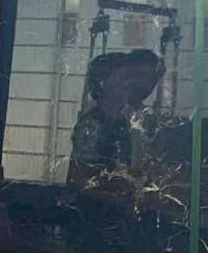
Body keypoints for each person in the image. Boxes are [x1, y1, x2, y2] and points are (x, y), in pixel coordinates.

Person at [67, 49, 164, 190]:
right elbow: (82, 177)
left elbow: (118, 166)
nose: (129, 84)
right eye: (122, 80)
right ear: (103, 84)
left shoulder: (121, 122)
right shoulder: (92, 124)